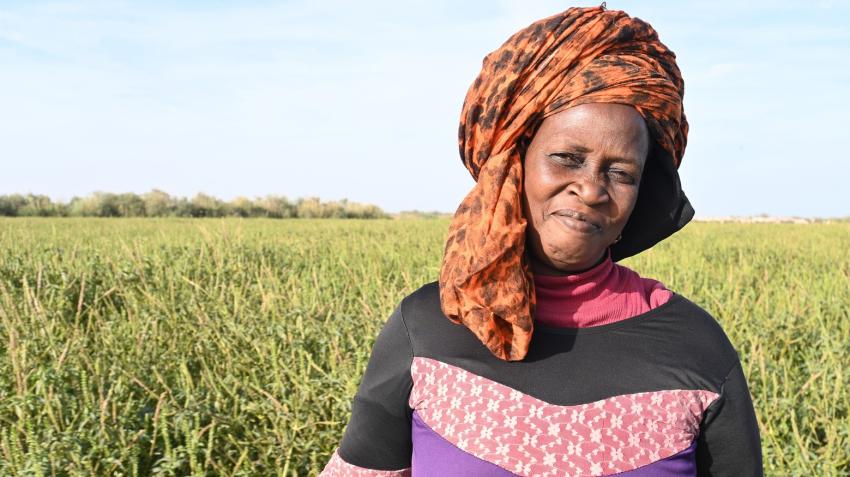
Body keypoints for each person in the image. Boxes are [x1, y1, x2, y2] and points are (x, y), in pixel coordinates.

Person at [321, 5, 762, 476]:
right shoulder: (426, 327)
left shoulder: (695, 348)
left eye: (621, 173)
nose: (592, 189)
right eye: (567, 158)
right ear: (513, 165)